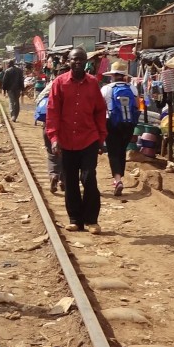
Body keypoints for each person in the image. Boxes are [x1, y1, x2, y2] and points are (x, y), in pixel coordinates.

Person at [46, 47, 107, 234]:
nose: (77, 62)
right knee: (70, 181)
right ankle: (75, 220)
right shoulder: (59, 83)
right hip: (66, 140)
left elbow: (100, 111)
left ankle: (91, 220)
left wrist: (101, 137)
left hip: (88, 138)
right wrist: (54, 138)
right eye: (74, 59)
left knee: (88, 178)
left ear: (86, 61)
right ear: (68, 62)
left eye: (81, 59)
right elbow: (53, 112)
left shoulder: (93, 83)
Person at [100, 60, 138, 195]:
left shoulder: (106, 89)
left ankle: (117, 180)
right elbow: (136, 107)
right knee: (122, 150)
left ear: (113, 75)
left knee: (113, 152)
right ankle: (119, 177)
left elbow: (100, 107)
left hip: (111, 123)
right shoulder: (132, 88)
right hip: (129, 124)